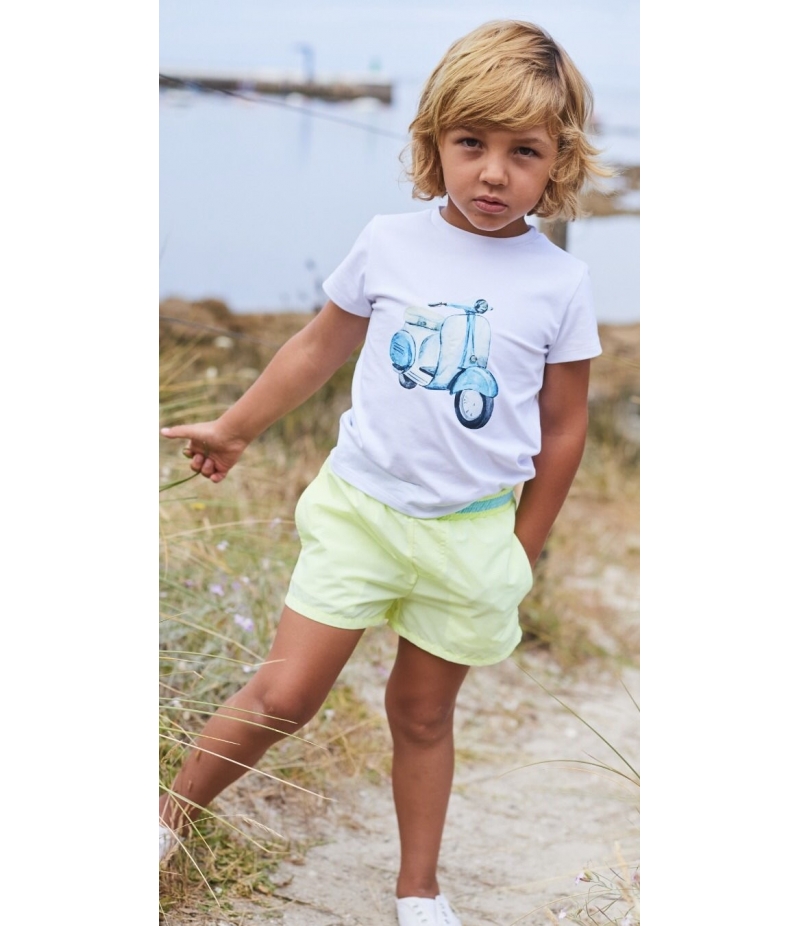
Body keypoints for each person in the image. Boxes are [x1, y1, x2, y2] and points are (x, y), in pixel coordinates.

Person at [159, 19, 610, 926]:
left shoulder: (558, 282)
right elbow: (315, 347)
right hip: (362, 511)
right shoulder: (388, 242)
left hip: (472, 536)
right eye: (471, 143)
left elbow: (564, 430)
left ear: (558, 162)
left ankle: (418, 890)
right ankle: (160, 827)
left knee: (422, 713)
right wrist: (237, 429)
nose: (493, 173)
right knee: (285, 694)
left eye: (522, 152)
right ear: (434, 141)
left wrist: (521, 547)